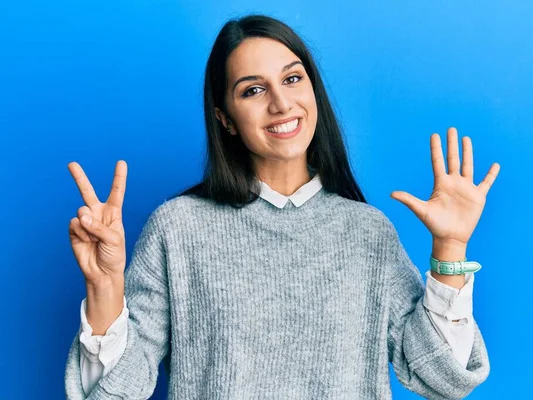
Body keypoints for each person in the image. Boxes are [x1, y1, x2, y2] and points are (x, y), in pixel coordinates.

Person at [64, 14, 499, 399]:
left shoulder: (368, 234)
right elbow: (114, 391)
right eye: (253, 89)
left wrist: (449, 248)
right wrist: (104, 288)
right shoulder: (177, 229)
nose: (281, 103)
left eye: (292, 79)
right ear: (225, 119)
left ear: (313, 89)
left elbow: (442, 379)